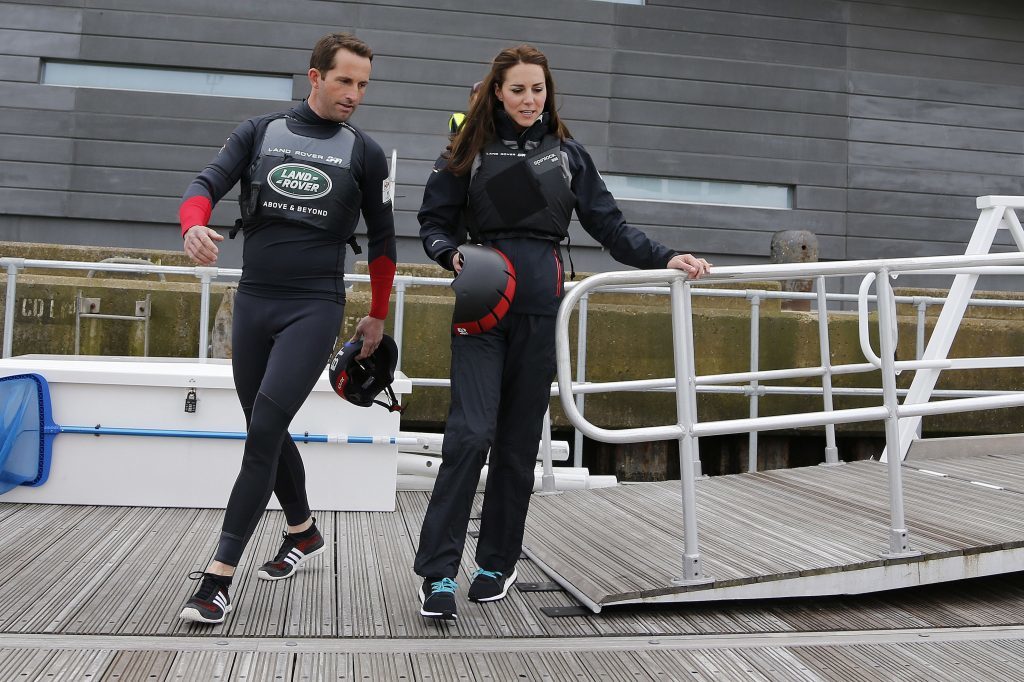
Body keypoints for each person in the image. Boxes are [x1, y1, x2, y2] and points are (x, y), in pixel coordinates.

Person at [414, 44, 711, 621]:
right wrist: (449, 255)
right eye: (518, 89)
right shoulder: (466, 151)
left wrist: (667, 258)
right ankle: (438, 575)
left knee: (519, 443)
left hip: (542, 309)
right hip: (480, 307)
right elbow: (432, 224)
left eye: (538, 89)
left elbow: (610, 227)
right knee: (470, 436)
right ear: (497, 91)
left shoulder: (570, 156)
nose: (529, 99)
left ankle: (496, 563)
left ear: (548, 92)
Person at [176, 33, 396, 624]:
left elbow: (383, 243)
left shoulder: (365, 153)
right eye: (345, 80)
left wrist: (376, 313)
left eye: (363, 85)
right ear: (315, 76)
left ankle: (217, 578)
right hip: (254, 303)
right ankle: (302, 531)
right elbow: (204, 185)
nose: (354, 94)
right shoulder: (259, 132)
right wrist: (192, 225)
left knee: (264, 433)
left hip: (313, 308)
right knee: (263, 428)